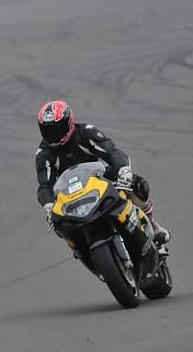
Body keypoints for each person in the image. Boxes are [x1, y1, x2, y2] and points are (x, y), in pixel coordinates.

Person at [35, 100, 171, 245]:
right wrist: (49, 205)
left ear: (69, 122)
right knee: (59, 225)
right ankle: (81, 249)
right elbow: (45, 185)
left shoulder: (86, 132)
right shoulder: (44, 153)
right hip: (70, 194)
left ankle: (152, 224)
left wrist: (124, 171)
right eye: (47, 130)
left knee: (136, 184)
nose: (52, 135)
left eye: (56, 129)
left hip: (99, 178)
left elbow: (112, 153)